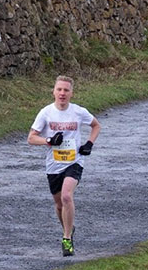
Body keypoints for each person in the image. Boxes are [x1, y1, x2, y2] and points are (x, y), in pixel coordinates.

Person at [28, 76, 100, 257]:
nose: (62, 93)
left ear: (71, 93)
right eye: (59, 90)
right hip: (53, 165)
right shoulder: (46, 113)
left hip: (74, 161)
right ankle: (69, 228)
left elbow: (96, 125)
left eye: (66, 90)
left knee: (67, 196)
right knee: (59, 205)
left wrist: (89, 144)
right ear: (53, 91)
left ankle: (67, 238)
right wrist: (49, 140)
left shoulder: (78, 112)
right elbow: (31, 138)